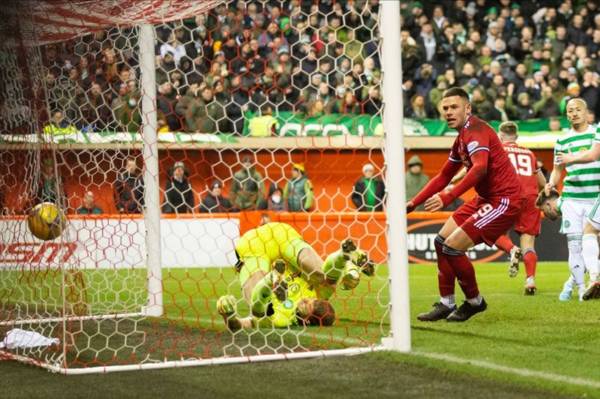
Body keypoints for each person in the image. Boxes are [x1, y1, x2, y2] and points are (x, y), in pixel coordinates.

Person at [407, 87, 522, 322]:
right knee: (441, 242)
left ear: (467, 108)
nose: (449, 112)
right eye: (445, 108)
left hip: (504, 200)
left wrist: (448, 197)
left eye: (454, 107)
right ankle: (446, 303)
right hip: (485, 199)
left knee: (452, 247)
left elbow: (479, 169)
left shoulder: (477, 131)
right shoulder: (461, 139)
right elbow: (443, 176)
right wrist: (413, 202)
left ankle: (474, 302)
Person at [232, 222, 374, 317]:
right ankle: (347, 259)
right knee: (322, 276)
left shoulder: (290, 312)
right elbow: (331, 278)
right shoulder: (319, 295)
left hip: (270, 237)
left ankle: (346, 258)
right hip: (281, 237)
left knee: (320, 273)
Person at [545, 99, 600, 301]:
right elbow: (558, 169)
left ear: (587, 113)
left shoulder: (596, 134)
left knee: (593, 247)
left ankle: (572, 284)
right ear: (566, 115)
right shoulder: (562, 141)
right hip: (572, 199)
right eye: (570, 111)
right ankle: (580, 289)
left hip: (596, 197)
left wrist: (572, 158)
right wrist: (551, 183)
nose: (574, 113)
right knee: (575, 246)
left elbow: (594, 155)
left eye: (578, 110)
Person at [492, 122, 546, 295]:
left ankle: (511, 249)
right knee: (528, 243)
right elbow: (542, 182)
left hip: (507, 196)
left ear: (500, 136)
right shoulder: (529, 154)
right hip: (530, 198)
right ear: (516, 136)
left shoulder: (498, 151)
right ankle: (530, 280)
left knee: (491, 232)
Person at [216, 261, 336, 330]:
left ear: (307, 321)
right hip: (275, 255)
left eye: (307, 305)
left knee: (257, 301)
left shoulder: (281, 320)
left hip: (256, 274)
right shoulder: (312, 291)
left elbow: (243, 325)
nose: (305, 298)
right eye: (311, 299)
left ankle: (271, 277)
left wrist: (229, 316)